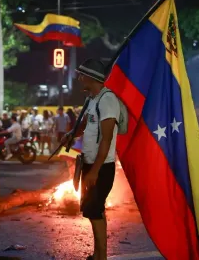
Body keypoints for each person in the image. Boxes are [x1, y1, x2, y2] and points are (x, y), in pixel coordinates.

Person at [63, 59, 119, 260]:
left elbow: (106, 138)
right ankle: (98, 254)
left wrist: (95, 171)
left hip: (101, 167)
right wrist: (71, 133)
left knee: (94, 209)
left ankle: (101, 256)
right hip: (89, 164)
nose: (79, 78)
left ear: (91, 77)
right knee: (93, 209)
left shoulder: (108, 100)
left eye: (81, 75)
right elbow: (84, 125)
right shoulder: (92, 100)